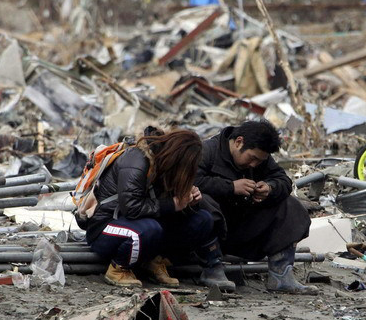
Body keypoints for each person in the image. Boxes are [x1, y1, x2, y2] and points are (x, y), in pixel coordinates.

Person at [80, 128, 235, 289]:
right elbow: (131, 208)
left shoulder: (167, 167)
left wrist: (189, 200)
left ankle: (155, 262)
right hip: (106, 226)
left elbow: (169, 211)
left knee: (202, 219)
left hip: (144, 226)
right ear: (177, 158)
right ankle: (118, 269)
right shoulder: (136, 160)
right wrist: (173, 203)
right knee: (149, 229)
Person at [195, 120, 315, 294]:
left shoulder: (260, 157)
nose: (254, 165)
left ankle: (281, 275)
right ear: (238, 142)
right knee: (202, 200)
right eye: (252, 158)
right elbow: (189, 182)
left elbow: (283, 180)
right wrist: (231, 187)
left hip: (243, 228)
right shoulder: (206, 151)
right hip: (210, 234)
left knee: (290, 205)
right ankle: (212, 270)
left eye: (259, 161)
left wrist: (270, 188)